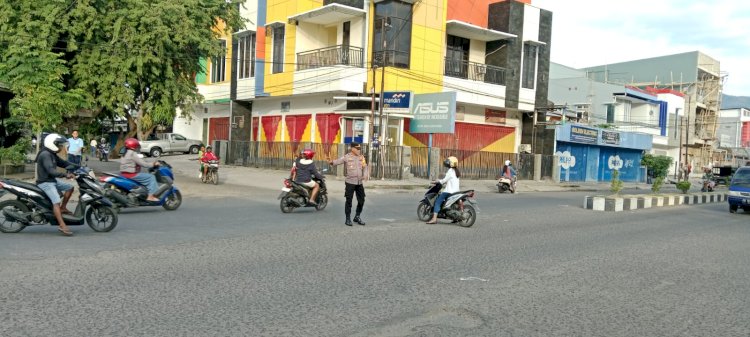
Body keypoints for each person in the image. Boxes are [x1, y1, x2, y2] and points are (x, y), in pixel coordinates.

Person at [36, 133, 76, 236]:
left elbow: (63, 163)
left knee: (70, 187)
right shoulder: (45, 155)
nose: (61, 147)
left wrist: (79, 167)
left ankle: (63, 208)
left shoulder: (52, 154)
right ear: (52, 144)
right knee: (56, 201)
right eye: (59, 144)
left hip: (52, 180)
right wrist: (65, 175)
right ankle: (62, 225)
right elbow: (51, 171)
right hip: (45, 182)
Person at [329, 142, 368, 226]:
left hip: (359, 183)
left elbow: (365, 167)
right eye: (357, 149)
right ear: (352, 149)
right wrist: (331, 162)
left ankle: (357, 216)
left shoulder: (361, 157)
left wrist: (365, 174)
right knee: (349, 201)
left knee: (362, 200)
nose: (359, 150)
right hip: (350, 183)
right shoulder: (347, 157)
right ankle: (348, 219)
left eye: (359, 149)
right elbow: (338, 161)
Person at [120, 138, 161, 202]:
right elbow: (143, 164)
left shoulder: (124, 153)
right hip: (131, 174)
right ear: (133, 146)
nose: (137, 148)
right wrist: (153, 164)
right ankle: (150, 196)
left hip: (124, 174)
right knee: (151, 177)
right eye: (136, 146)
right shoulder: (132, 153)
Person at [426, 156, 461, 224]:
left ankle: (434, 219)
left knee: (437, 202)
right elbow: (450, 181)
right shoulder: (457, 171)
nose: (447, 162)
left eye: (448, 161)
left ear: (451, 163)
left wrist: (437, 181)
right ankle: (455, 218)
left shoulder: (450, 171)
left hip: (449, 191)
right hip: (456, 191)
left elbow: (443, 180)